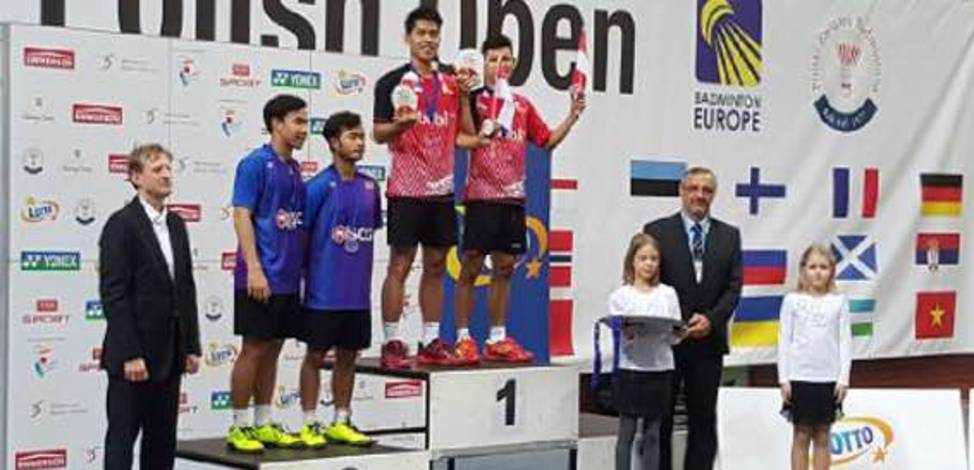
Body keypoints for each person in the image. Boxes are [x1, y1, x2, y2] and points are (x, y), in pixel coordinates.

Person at [452, 34, 585, 364]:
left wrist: (572, 115)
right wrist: (465, 98)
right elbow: (463, 135)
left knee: (504, 268)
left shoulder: (521, 105)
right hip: (481, 198)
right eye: (493, 59)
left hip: (513, 200)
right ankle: (463, 338)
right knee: (470, 267)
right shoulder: (472, 99)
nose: (500, 64)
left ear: (513, 64)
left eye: (506, 59)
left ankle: (497, 338)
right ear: (483, 63)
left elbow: (546, 140)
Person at [372, 6, 476, 369]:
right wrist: (400, 126)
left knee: (435, 265)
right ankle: (391, 341)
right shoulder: (391, 82)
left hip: (441, 192)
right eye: (421, 33)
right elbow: (378, 132)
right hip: (405, 190)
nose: (428, 40)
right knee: (400, 265)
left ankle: (431, 339)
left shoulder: (453, 80)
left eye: (434, 34)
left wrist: (464, 97)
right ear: (408, 38)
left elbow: (467, 132)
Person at [99, 143, 202, 469]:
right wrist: (130, 353)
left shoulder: (177, 225)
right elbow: (114, 294)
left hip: (170, 355)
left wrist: (191, 345)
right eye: (157, 169)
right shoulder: (121, 224)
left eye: (169, 168)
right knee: (122, 439)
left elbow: (185, 288)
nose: (166, 175)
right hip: (134, 357)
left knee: (162, 442)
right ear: (136, 177)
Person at [642, 167, 741, 470]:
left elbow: (733, 288)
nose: (700, 195)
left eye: (706, 190)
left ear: (714, 195)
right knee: (660, 421)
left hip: (708, 344)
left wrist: (711, 320)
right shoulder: (657, 231)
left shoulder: (729, 236)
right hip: (666, 344)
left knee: (703, 422)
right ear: (682, 192)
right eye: (693, 188)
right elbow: (648, 283)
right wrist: (675, 324)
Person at [226, 95, 307, 453]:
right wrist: (255, 268)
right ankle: (239, 425)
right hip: (259, 276)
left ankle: (262, 422)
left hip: (288, 278)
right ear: (276, 123)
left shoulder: (294, 169)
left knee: (274, 348)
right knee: (254, 348)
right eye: (297, 121)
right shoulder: (254, 165)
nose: (304, 129)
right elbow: (241, 214)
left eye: (306, 122)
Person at [296, 111, 380, 448]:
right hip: (323, 293)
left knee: (348, 357)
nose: (360, 143)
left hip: (357, 294)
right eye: (352, 137)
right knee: (315, 357)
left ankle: (341, 420)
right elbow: (301, 238)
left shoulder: (371, 187)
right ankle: (308, 422)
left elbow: (367, 232)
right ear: (333, 142)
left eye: (361, 136)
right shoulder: (317, 187)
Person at [607, 233, 683, 470]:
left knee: (653, 432)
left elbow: (673, 337)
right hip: (630, 368)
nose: (649, 264)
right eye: (643, 258)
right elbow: (619, 335)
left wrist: (679, 333)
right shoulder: (620, 296)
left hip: (660, 369)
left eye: (654, 259)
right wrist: (628, 332)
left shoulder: (668, 294)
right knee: (627, 431)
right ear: (632, 260)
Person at [777, 244, 852, 470]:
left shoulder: (839, 302)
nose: (818, 272)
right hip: (799, 377)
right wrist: (783, 379)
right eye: (812, 267)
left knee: (822, 435)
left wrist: (843, 379)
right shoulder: (791, 301)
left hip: (828, 379)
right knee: (801, 435)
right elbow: (784, 340)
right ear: (803, 270)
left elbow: (845, 341)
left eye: (823, 267)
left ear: (831, 270)